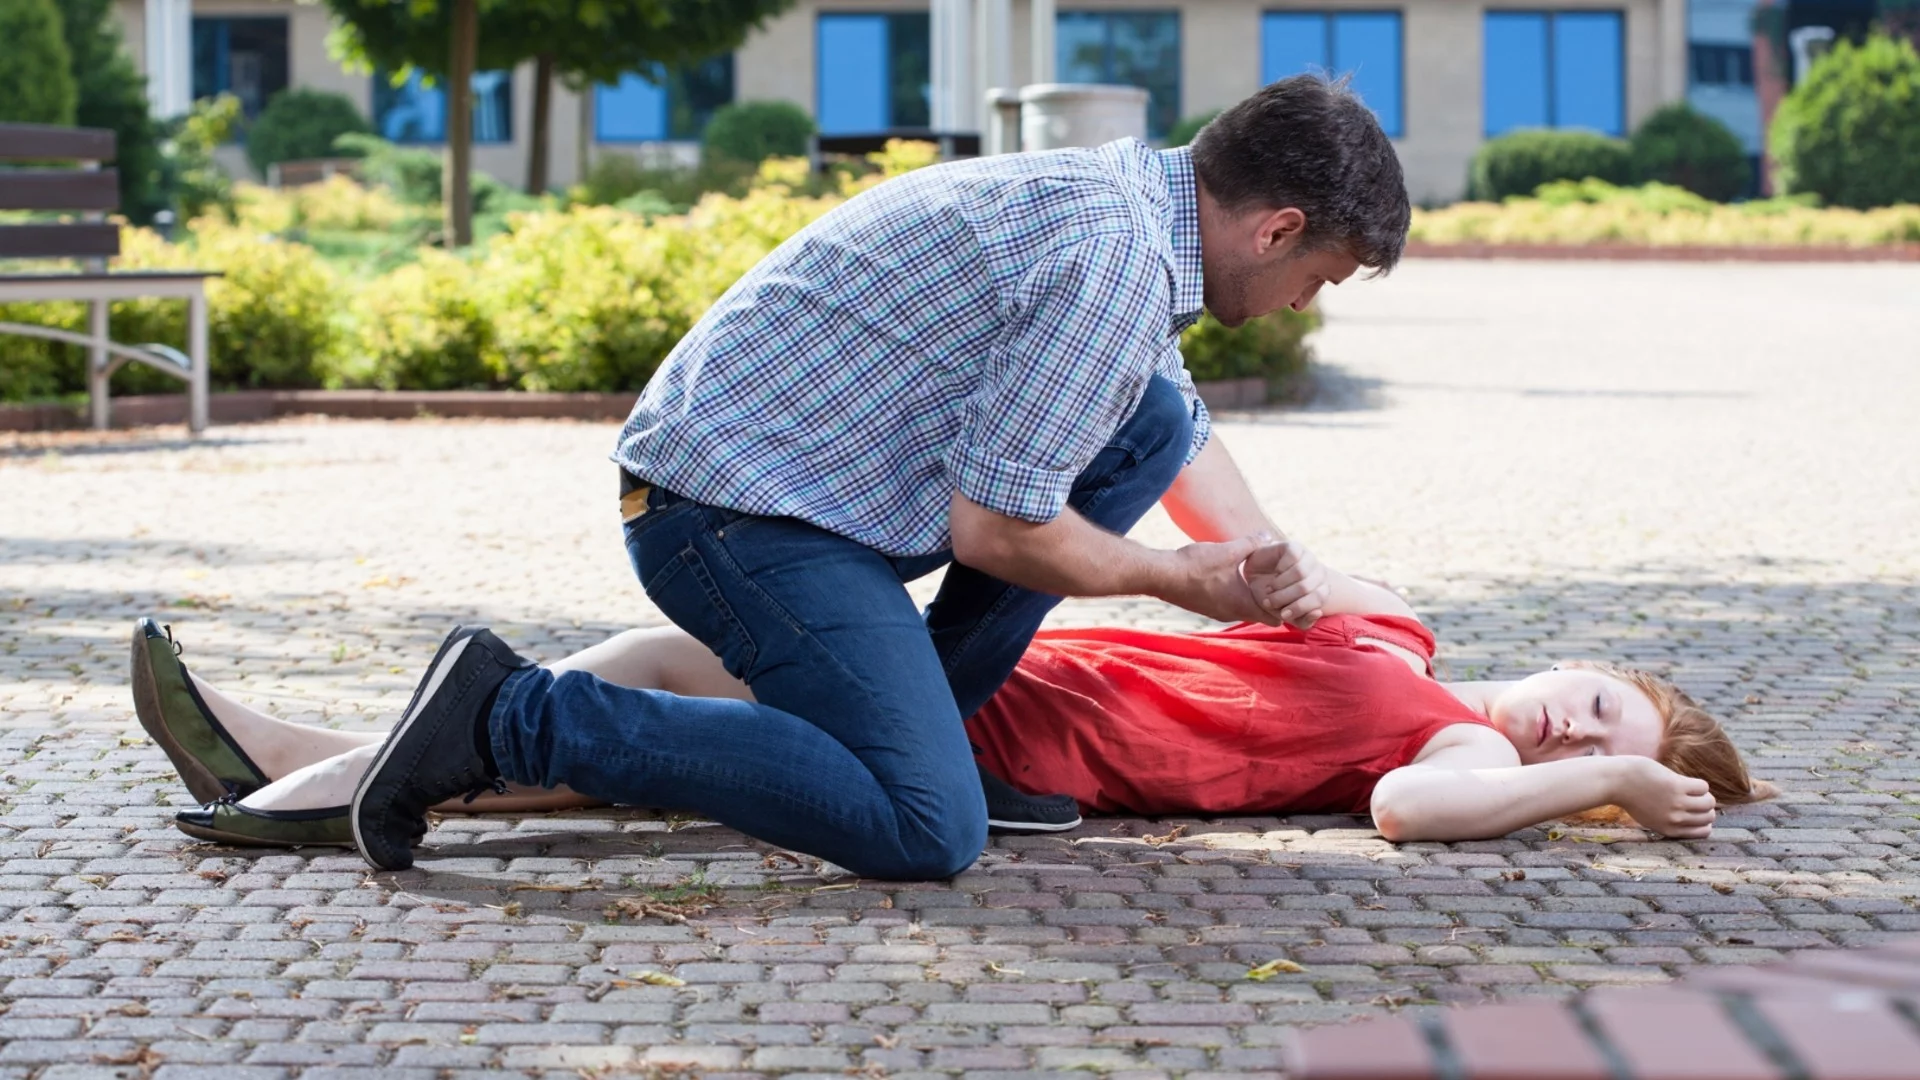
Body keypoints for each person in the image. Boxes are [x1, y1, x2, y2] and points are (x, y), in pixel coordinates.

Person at [326, 76, 1412, 879]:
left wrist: (1279, 570)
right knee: (927, 829)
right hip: (726, 515)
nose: (1303, 305)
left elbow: (1166, 431)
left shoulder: (1132, 208)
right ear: (1278, 228)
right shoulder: (1111, 263)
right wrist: (1183, 580)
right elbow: (998, 530)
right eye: (1315, 277)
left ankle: (926, 725)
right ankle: (506, 715)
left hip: (805, 501)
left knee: (1150, 419)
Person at [133, 542, 1771, 853]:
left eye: (1606, 747)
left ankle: (296, 783)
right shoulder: (1397, 627)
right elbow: (1231, 536)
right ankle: (296, 768)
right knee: (635, 678)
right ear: (1592, 664)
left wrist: (1595, 795)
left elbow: (1420, 814)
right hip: (976, 658)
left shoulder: (1455, 741)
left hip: (991, 740)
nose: (1573, 725)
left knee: (637, 719)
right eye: (1600, 706)